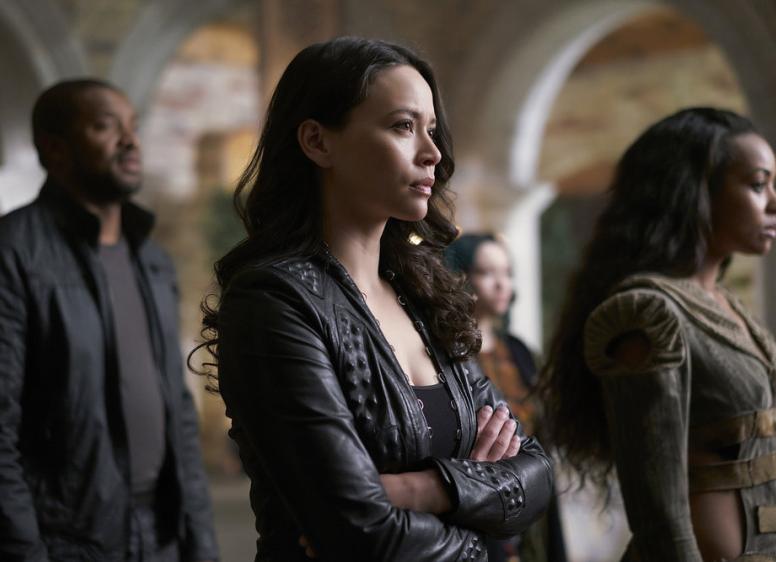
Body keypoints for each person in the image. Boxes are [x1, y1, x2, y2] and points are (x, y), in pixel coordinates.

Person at [196, 37, 554, 561]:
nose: (432, 152)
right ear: (318, 142)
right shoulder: (273, 302)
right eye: (403, 126)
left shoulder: (422, 294)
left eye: (431, 129)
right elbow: (359, 531)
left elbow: (537, 472)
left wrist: (423, 489)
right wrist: (482, 518)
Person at [539, 107, 776, 561]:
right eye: (757, 184)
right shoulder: (647, 315)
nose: (773, 203)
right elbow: (658, 511)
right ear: (694, 192)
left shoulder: (728, 305)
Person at [0, 79, 218, 562]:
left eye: (133, 127)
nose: (130, 141)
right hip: (68, 543)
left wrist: (201, 543)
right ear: (55, 149)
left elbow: (179, 411)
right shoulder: (14, 252)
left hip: (162, 534)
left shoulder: (152, 261)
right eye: (105, 126)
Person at [446, 234, 567, 562]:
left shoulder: (519, 351)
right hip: (480, 506)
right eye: (487, 272)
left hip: (534, 501)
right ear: (460, 276)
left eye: (507, 273)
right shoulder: (448, 354)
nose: (502, 284)